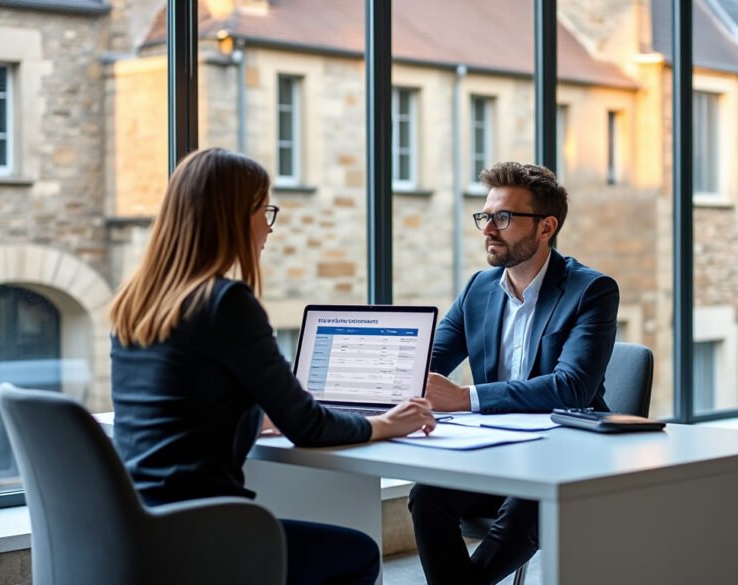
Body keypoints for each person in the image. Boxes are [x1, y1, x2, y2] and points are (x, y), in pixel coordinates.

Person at [109, 147, 436, 585]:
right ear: (231, 216)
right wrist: (386, 423)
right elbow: (307, 426)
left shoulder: (137, 302)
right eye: (263, 210)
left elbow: (181, 409)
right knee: (359, 553)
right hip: (204, 536)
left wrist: (249, 416)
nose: (268, 226)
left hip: (142, 527)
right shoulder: (226, 303)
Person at [408, 161, 620, 585]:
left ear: (546, 228)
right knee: (426, 495)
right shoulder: (478, 289)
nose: (488, 229)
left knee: (529, 501)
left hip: (564, 453)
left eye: (503, 218)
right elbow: (423, 364)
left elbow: (572, 387)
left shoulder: (591, 291)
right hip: (494, 449)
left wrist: (465, 397)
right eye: (485, 216)